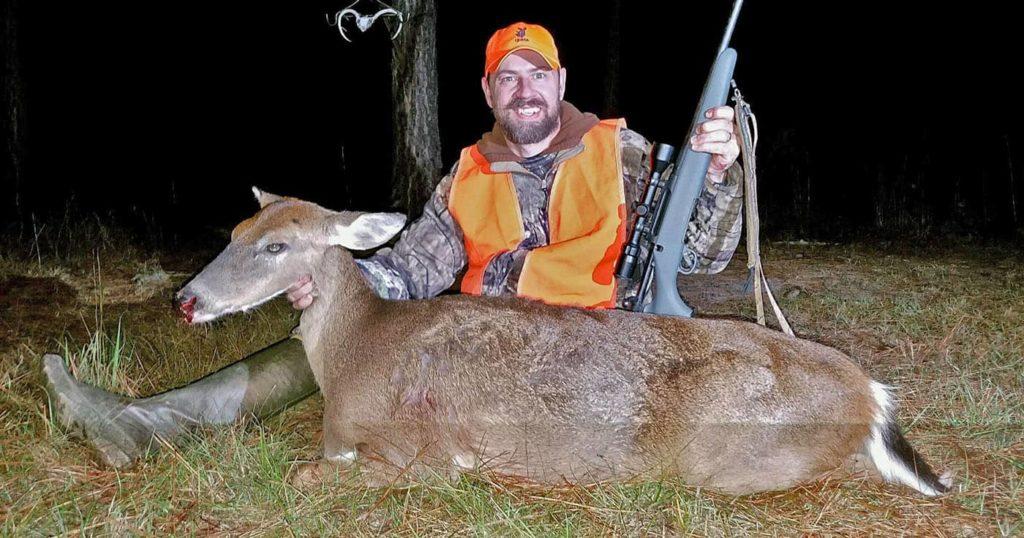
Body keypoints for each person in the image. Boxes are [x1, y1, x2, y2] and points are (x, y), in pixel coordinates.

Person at [43, 22, 744, 469]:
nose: (524, 89)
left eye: (537, 74)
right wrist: (339, 288)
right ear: (488, 91)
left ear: (560, 82)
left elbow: (703, 256)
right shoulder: (465, 178)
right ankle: (148, 424)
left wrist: (714, 174)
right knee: (336, 329)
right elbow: (412, 268)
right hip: (476, 351)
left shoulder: (622, 154)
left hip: (588, 354)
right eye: (508, 76)